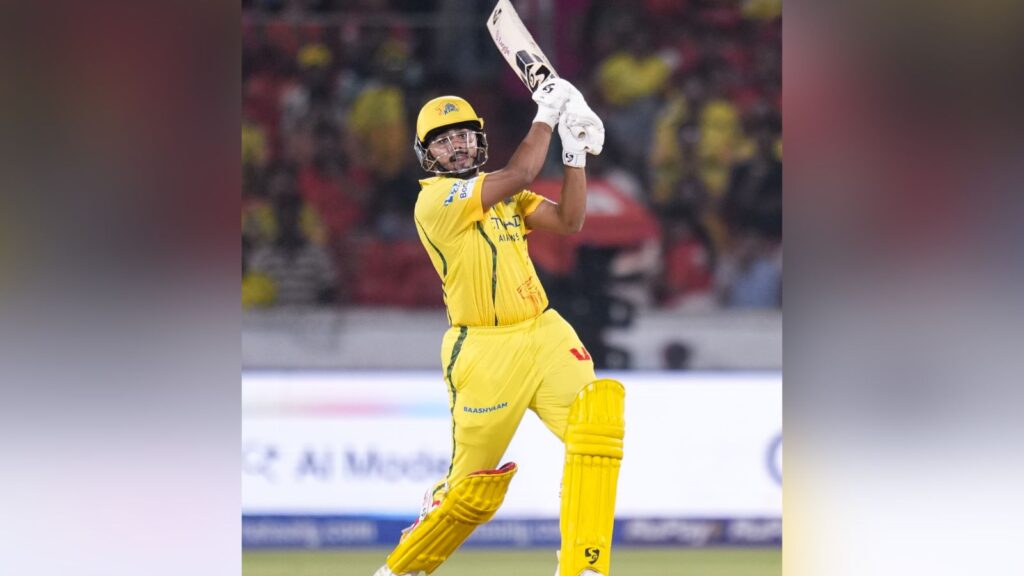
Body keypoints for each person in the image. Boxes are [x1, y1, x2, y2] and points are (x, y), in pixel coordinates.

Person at [372, 79, 625, 576]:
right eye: (444, 140)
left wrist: (575, 154)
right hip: (484, 352)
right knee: (470, 492)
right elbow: (524, 168)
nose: (457, 144)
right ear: (428, 155)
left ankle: (585, 566)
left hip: (545, 332)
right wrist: (548, 112)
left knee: (597, 428)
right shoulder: (436, 202)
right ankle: (401, 569)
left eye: (464, 133)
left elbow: (570, 221)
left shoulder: (509, 197)